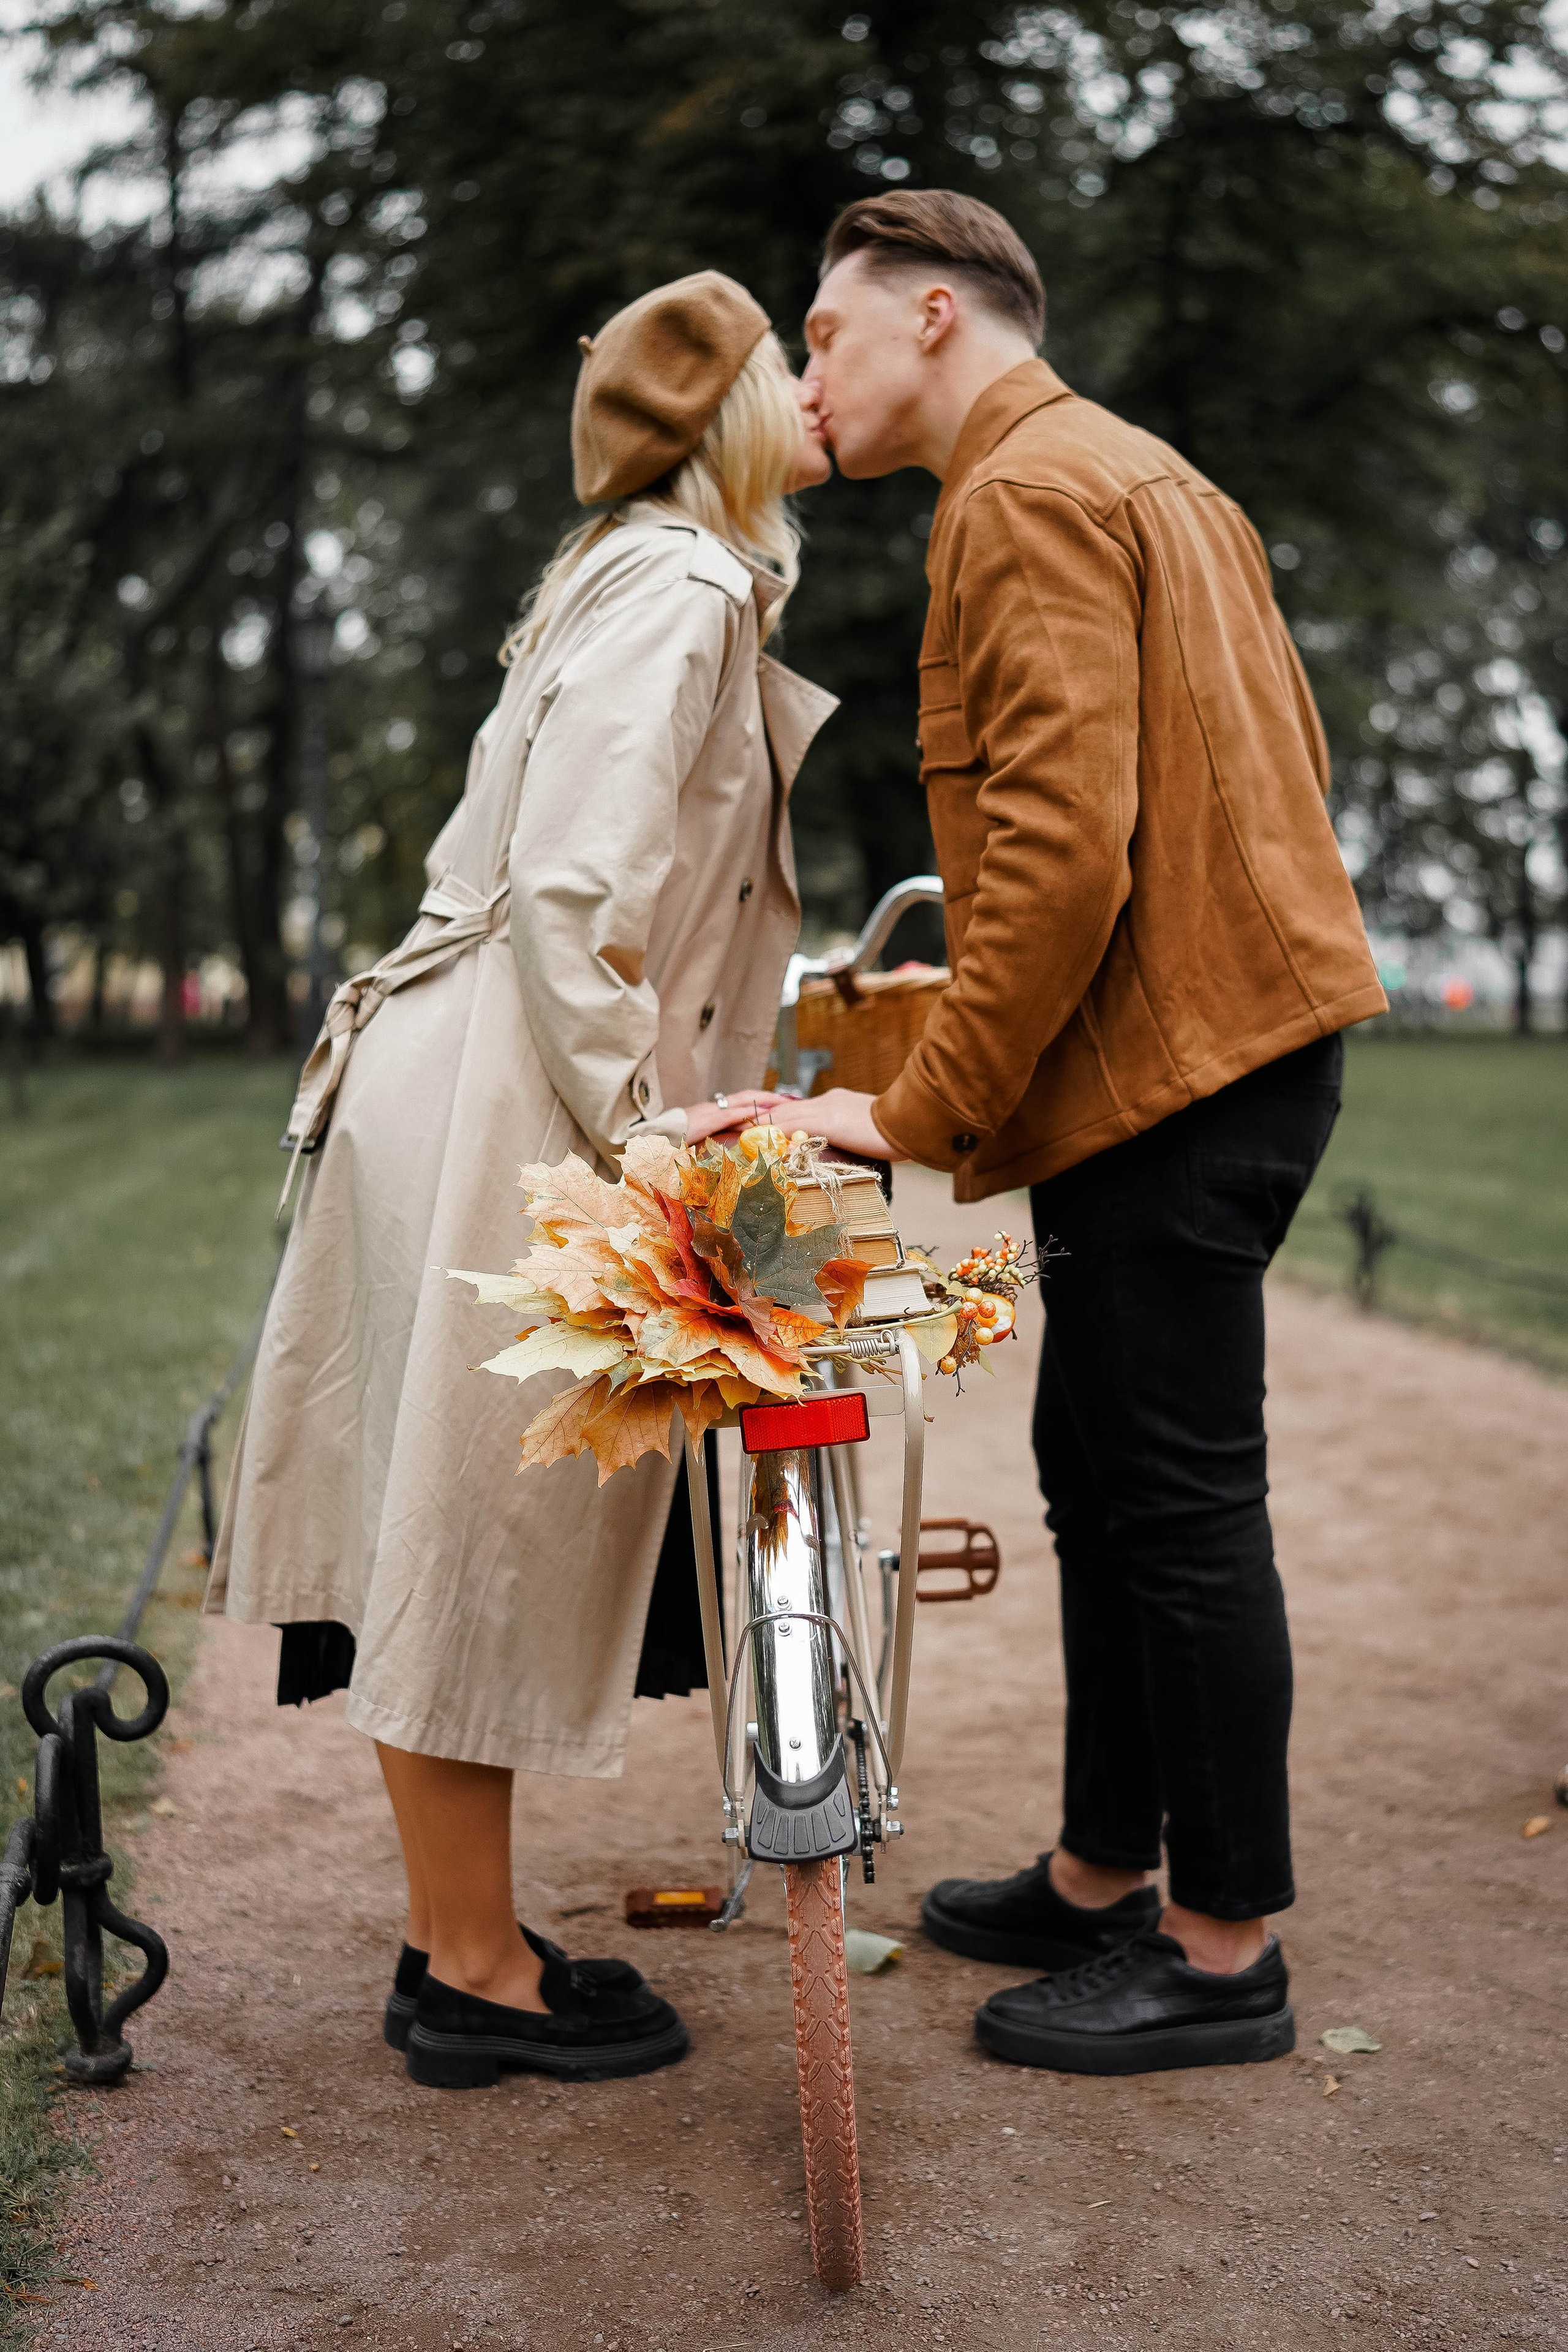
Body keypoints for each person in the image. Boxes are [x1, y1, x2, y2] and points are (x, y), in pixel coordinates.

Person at [207, 271, 836, 2088]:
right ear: (725, 408)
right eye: (779, 363)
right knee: (477, 1524)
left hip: (470, 1067)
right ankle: (468, 1979)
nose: (803, 384)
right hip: (510, 1089)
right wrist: (654, 1135)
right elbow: (576, 892)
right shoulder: (691, 582)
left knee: (455, 1518)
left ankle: (455, 1934)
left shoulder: (631, 566)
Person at [789, 190, 1385, 2076]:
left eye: (825, 335)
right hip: (1217, 1052)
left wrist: (917, 1112)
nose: (809, 375)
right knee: (1105, 1470)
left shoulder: (1025, 495)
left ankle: (1220, 1956)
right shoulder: (1149, 475)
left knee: (1181, 1500)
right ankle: (1102, 1865)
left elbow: (1056, 856)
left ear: (939, 314)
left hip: (1178, 1074)